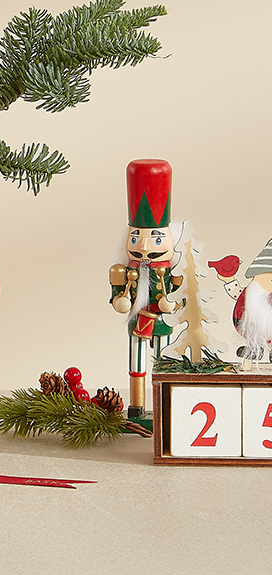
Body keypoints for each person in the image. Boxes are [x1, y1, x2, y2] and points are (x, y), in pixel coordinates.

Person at [109, 159, 182, 421]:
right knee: (137, 365)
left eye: (157, 238)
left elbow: (179, 296)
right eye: (136, 235)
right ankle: (137, 407)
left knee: (164, 365)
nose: (145, 244)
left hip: (162, 322)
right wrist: (122, 302)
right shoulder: (126, 271)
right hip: (137, 321)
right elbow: (118, 298)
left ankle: (165, 405)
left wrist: (171, 305)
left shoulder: (172, 270)